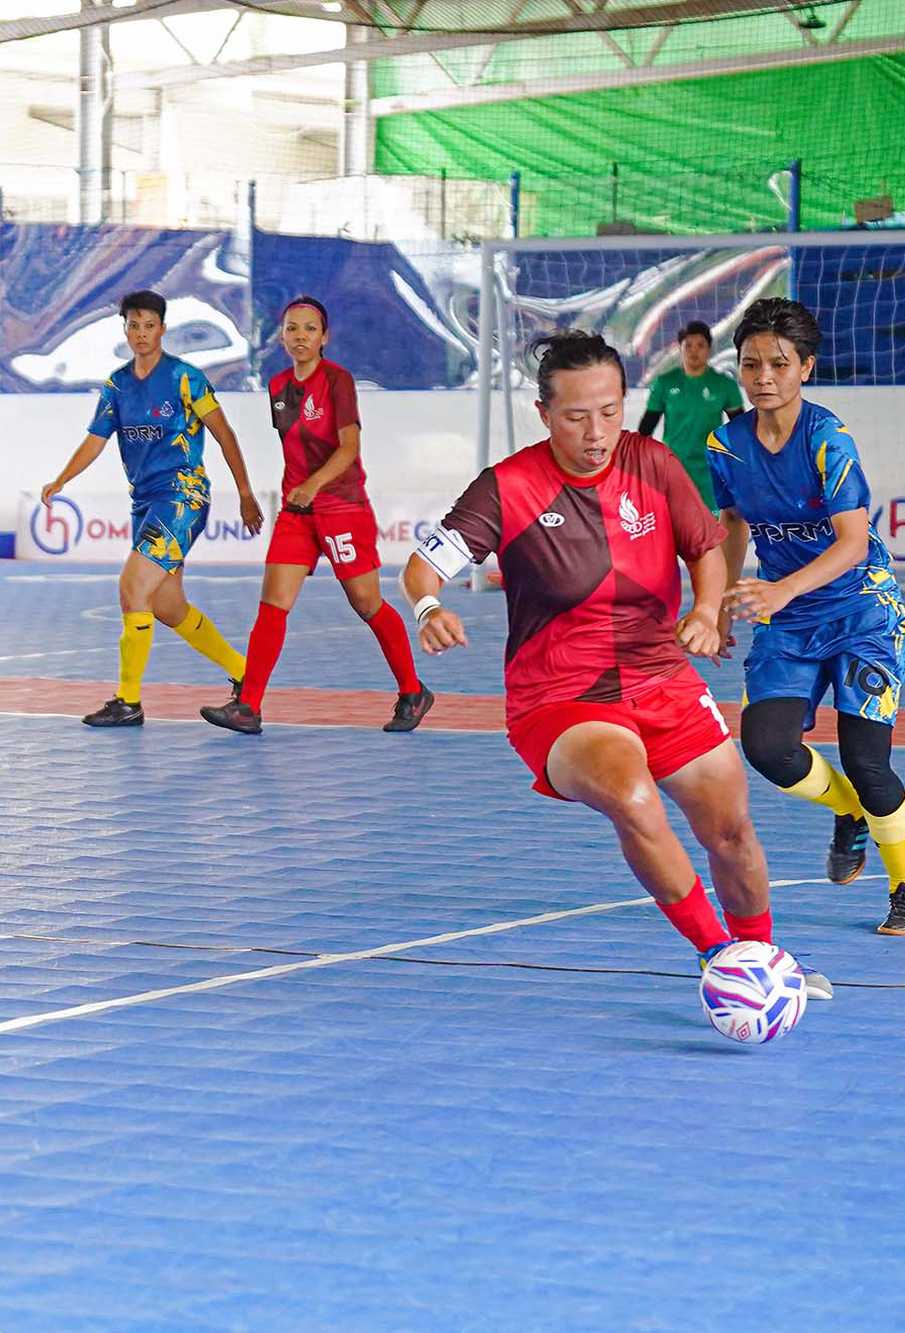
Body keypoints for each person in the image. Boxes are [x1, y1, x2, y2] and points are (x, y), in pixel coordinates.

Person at [401, 330, 829, 998]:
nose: (597, 431)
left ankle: (762, 958)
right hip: (559, 695)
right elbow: (424, 567)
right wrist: (429, 609)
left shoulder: (652, 462)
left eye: (609, 411)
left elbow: (705, 548)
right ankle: (721, 959)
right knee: (633, 795)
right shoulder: (507, 486)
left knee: (732, 824)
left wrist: (706, 610)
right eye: (576, 416)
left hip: (661, 674)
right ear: (544, 415)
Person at [709, 298, 905, 937]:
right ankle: (850, 812)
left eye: (779, 363)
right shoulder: (725, 443)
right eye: (750, 364)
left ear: (805, 366)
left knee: (868, 762)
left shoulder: (826, 438)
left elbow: (853, 544)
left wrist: (778, 592)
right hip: (790, 619)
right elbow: (732, 525)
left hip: (863, 610)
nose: (763, 376)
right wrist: (721, 605)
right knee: (768, 748)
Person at [200, 296, 431, 735]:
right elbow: (294, 449)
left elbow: (349, 448)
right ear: (282, 335)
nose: (300, 336)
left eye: (309, 329)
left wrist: (315, 485)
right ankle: (248, 706)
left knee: (366, 603)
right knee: (272, 604)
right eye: (292, 328)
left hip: (342, 508)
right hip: (296, 512)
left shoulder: (339, 382)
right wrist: (276, 495)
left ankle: (412, 691)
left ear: (324, 337)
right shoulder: (277, 387)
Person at [41, 289, 263, 726]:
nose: (141, 334)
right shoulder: (117, 384)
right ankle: (245, 675)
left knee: (131, 587)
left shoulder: (185, 378)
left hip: (182, 495)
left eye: (149, 326)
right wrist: (62, 479)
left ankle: (128, 701)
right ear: (125, 330)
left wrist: (245, 492)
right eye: (134, 326)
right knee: (167, 606)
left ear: (162, 329)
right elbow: (94, 440)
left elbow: (224, 434)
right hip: (145, 501)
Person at [636, 319, 745, 514]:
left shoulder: (724, 385)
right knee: (675, 526)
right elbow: (646, 428)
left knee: (712, 528)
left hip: (711, 469)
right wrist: (644, 462)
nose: (694, 351)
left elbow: (741, 429)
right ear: (680, 348)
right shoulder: (664, 383)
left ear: (709, 349)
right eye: (688, 345)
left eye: (700, 345)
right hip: (674, 466)